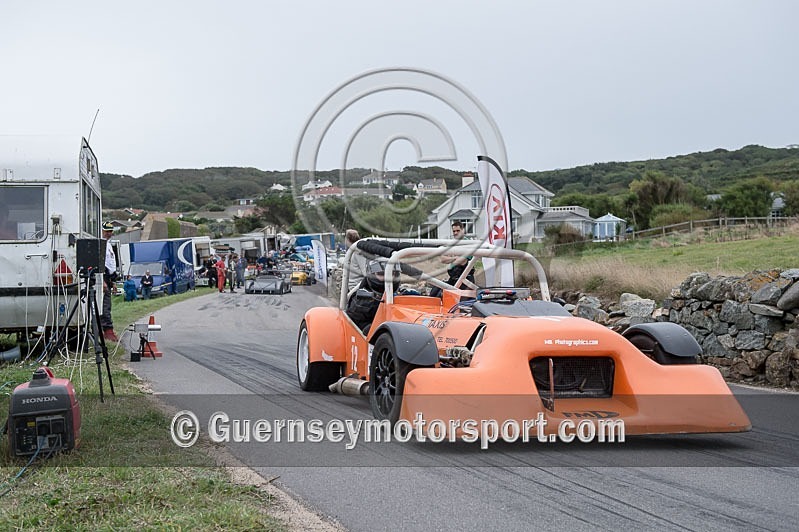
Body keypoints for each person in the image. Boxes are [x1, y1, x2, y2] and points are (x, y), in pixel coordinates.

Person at [430, 221, 475, 297]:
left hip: (465, 279)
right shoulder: (452, 243)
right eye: (454, 231)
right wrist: (456, 257)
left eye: (458, 231)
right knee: (434, 292)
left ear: (463, 230)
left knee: (443, 295)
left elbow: (462, 261)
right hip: (454, 277)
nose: (455, 233)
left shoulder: (468, 243)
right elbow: (442, 259)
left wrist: (451, 258)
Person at [100, 221, 119, 341]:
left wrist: (113, 282)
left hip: (108, 278)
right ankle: (107, 330)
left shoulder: (109, 245)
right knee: (105, 305)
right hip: (102, 277)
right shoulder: (100, 244)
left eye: (111, 231)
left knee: (107, 305)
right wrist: (102, 281)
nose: (109, 233)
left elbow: (111, 264)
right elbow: (99, 264)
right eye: (107, 231)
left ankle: (106, 330)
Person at [344, 229, 369, 295]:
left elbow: (365, 273)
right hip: (352, 288)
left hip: (356, 289)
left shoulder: (358, 252)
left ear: (347, 239)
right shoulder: (351, 251)